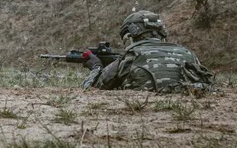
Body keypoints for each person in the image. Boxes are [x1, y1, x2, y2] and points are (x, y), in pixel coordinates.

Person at [84, 10, 214, 93]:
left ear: (131, 35)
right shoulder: (188, 54)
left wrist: (96, 66)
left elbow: (90, 89)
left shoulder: (130, 57)